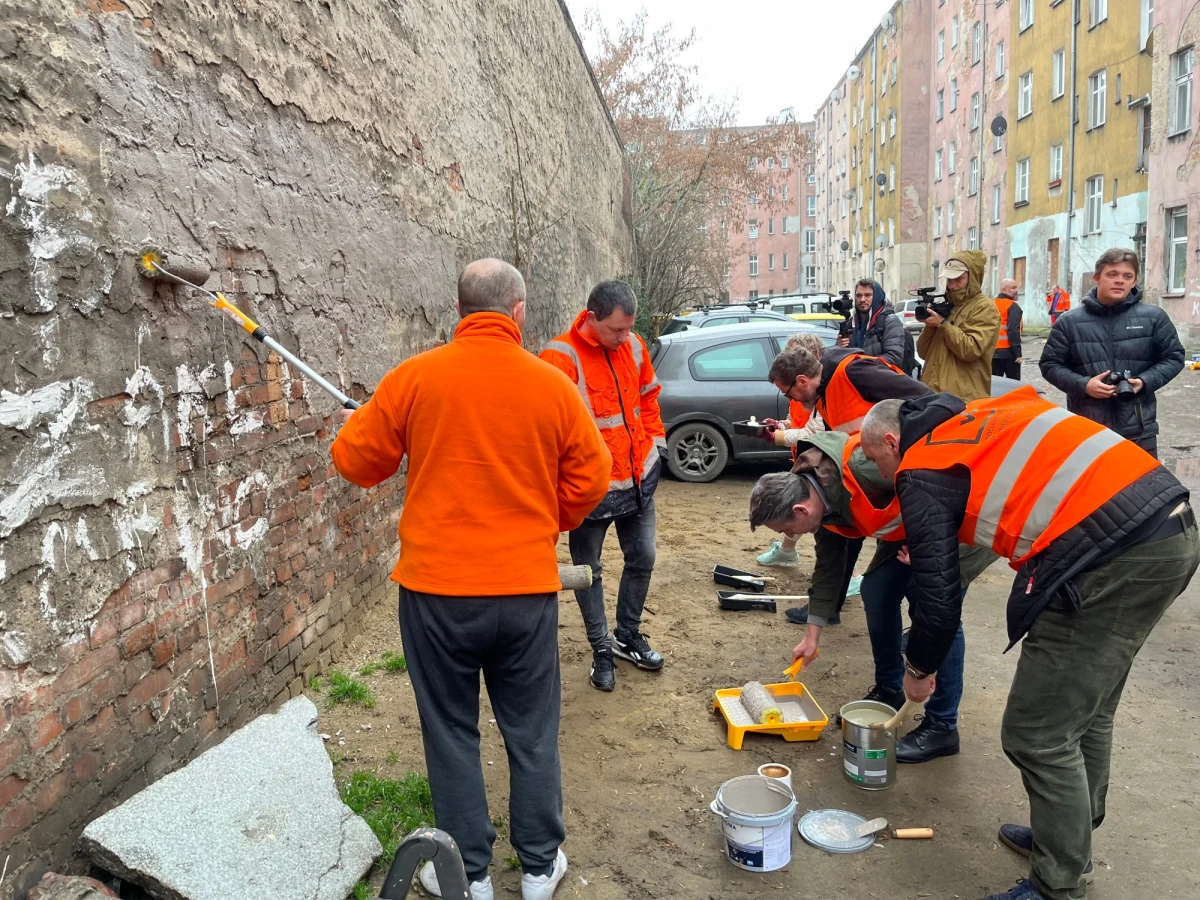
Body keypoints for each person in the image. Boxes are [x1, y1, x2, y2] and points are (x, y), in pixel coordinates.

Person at [331, 260, 610, 900]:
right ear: (517, 311)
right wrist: (549, 519)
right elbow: (592, 478)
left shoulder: (413, 379)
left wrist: (366, 420)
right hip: (525, 590)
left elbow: (354, 461)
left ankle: (468, 876)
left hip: (435, 594)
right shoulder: (553, 386)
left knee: (450, 731)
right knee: (532, 730)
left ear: (458, 311)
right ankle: (539, 867)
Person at [859, 389, 1198, 900]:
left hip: (1109, 555)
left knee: (1036, 734)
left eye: (875, 459)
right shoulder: (973, 418)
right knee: (1087, 713)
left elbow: (938, 600)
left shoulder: (921, 468)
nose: (880, 472)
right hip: (1167, 524)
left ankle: (1057, 885)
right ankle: (1068, 841)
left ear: (892, 441)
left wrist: (918, 669)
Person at [748, 430, 995, 764]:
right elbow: (829, 569)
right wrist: (812, 635)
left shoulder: (868, 468)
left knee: (934, 609)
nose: (790, 536)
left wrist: (931, 550)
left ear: (800, 509)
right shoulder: (818, 499)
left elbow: (948, 484)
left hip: (962, 523)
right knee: (876, 590)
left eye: (786, 530)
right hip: (911, 528)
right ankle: (890, 687)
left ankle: (942, 725)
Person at [540, 281, 667, 692]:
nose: (625, 337)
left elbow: (648, 399)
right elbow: (550, 430)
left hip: (638, 478)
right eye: (617, 329)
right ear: (591, 318)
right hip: (589, 491)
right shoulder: (559, 357)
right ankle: (601, 649)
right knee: (587, 572)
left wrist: (658, 446)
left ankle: (627, 636)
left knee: (643, 556)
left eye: (629, 328)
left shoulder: (633, 346)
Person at [764, 343, 928, 627]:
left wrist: (907, 457)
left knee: (898, 572)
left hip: (902, 481)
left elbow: (925, 400)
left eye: (787, 392)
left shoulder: (854, 371)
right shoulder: (823, 395)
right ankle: (827, 607)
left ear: (801, 381)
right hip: (860, 482)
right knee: (838, 538)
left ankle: (919, 633)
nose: (789, 398)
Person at [1038, 248, 1184, 459]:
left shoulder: (1154, 318)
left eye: (1127, 276)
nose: (1120, 281)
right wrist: (1084, 385)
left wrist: (1143, 381)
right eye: (1112, 274)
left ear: (1134, 282)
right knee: (1091, 481)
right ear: (1097, 277)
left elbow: (1174, 357)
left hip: (1139, 429)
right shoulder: (1069, 322)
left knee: (1142, 481)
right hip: (1087, 427)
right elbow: (1050, 365)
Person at [756, 331, 827, 568]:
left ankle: (851, 575)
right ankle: (787, 550)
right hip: (804, 455)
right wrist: (780, 426)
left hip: (821, 460)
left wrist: (778, 436)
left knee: (821, 519)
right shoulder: (797, 388)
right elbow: (794, 421)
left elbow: (814, 431)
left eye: (795, 353)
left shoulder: (821, 390)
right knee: (797, 508)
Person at [918, 250, 999, 402]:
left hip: (963, 398)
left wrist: (943, 324)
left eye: (958, 279)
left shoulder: (985, 307)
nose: (952, 285)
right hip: (933, 395)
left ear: (972, 278)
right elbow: (923, 352)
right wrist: (930, 326)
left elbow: (970, 350)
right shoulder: (948, 306)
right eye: (949, 279)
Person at [836, 278, 907, 369]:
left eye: (868, 295)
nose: (862, 299)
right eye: (858, 295)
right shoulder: (851, 323)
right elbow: (838, 356)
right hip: (854, 376)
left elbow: (894, 357)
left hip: (879, 377)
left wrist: (860, 363)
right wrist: (839, 347)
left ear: (877, 297)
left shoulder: (890, 321)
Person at [992, 279, 1023, 380]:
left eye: (1016, 287)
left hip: (992, 353)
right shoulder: (1013, 306)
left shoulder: (991, 305)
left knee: (994, 384)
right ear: (1003, 290)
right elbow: (1013, 330)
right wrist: (1018, 353)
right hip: (1009, 352)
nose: (1017, 290)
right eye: (1013, 288)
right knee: (1014, 385)